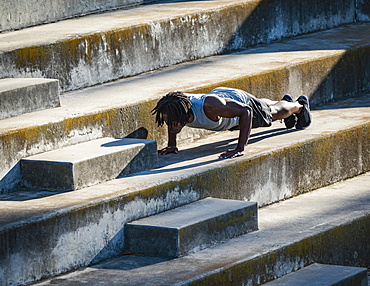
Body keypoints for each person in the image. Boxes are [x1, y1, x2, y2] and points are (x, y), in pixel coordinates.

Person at [152, 87, 311, 159]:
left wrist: (240, 148)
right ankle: (284, 101)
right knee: (264, 106)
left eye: (172, 122)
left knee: (272, 114)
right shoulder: (175, 107)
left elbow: (246, 111)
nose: (170, 125)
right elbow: (171, 119)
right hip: (227, 108)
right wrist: (172, 144)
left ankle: (299, 106)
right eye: (166, 121)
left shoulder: (211, 106)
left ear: (183, 115)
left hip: (239, 104)